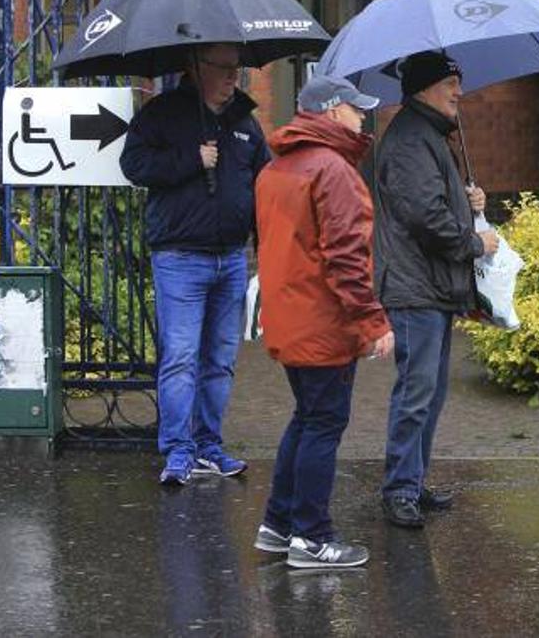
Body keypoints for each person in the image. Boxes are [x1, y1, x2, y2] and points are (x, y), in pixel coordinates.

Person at [252, 75, 394, 569]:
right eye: (356, 110)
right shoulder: (332, 170)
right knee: (324, 424)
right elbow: (346, 259)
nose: (363, 118)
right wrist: (374, 322)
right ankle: (312, 538)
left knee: (307, 417)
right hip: (323, 321)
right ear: (333, 112)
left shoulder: (277, 169)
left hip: (291, 316)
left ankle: (278, 524)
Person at [120, 42, 269, 486]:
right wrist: (191, 159)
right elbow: (134, 164)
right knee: (181, 358)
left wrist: (265, 249)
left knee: (220, 359)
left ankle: (209, 445)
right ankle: (179, 450)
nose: (233, 78)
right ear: (195, 67)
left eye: (236, 69)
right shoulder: (163, 113)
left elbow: (264, 184)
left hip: (231, 258)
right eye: (223, 69)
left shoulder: (245, 122)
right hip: (180, 257)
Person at [375, 50, 498, 528]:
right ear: (425, 87)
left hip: (430, 287)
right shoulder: (410, 140)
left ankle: (413, 479)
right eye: (451, 84)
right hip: (414, 288)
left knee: (430, 391)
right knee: (417, 391)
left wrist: (472, 203)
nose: (460, 93)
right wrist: (473, 241)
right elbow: (426, 217)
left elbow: (435, 203)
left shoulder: (426, 136)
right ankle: (400, 489)